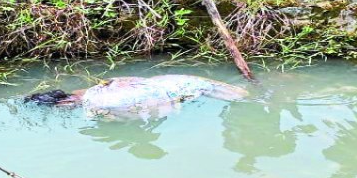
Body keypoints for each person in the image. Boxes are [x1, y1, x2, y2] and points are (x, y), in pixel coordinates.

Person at [25, 74, 247, 117]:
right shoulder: (96, 89)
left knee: (242, 96)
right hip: (173, 80)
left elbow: (144, 109)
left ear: (63, 102)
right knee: (242, 94)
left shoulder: (100, 103)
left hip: (180, 89)